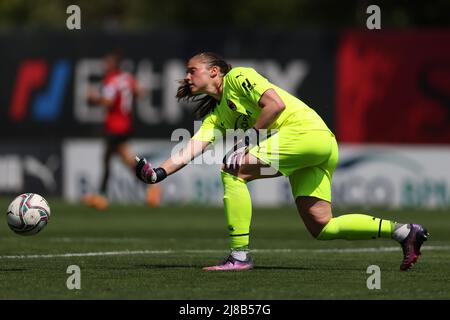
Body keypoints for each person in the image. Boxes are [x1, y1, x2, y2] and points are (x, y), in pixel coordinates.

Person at [135, 52, 429, 271]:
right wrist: (158, 173)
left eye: (192, 70)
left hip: (305, 134)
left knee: (232, 170)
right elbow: (192, 148)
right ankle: (404, 232)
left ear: (214, 71)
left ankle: (239, 256)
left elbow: (275, 105)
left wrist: (248, 141)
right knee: (322, 226)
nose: (187, 76)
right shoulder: (216, 115)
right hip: (318, 146)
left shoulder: (238, 77)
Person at [83, 49, 159, 210]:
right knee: (126, 159)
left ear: (114, 65)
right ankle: (151, 186)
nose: (104, 65)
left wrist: (94, 98)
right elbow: (141, 91)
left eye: (107, 63)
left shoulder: (111, 80)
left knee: (107, 158)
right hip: (125, 124)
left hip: (115, 126)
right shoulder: (127, 78)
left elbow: (108, 102)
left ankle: (102, 197)